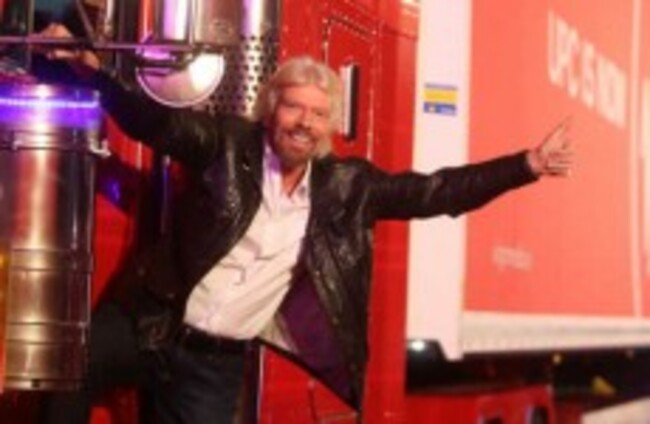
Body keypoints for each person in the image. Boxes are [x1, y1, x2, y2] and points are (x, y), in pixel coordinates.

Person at [35, 23, 573, 424]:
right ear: (272, 109)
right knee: (69, 360)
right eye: (294, 108)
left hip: (213, 365)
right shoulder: (227, 144)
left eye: (317, 114)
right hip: (151, 322)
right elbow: (155, 123)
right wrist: (94, 74)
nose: (303, 123)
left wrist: (525, 165)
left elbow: (435, 192)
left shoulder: (348, 187)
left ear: (330, 125)